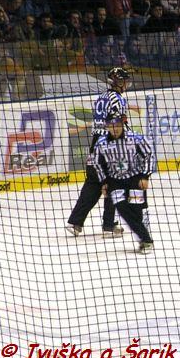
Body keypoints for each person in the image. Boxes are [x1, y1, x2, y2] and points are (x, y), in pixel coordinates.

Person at [66, 68, 131, 238]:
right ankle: (109, 225)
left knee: (93, 183)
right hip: (110, 145)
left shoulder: (100, 98)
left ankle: (75, 222)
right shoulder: (118, 100)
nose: (126, 84)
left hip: (96, 143)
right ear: (118, 82)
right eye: (124, 81)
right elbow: (117, 125)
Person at [92, 113, 155, 255]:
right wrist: (103, 182)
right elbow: (97, 163)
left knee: (137, 211)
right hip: (115, 182)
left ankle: (143, 240)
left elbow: (149, 155)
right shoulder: (101, 143)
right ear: (107, 126)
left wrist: (145, 176)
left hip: (135, 179)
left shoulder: (136, 138)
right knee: (121, 209)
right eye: (111, 125)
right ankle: (147, 240)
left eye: (118, 125)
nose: (115, 128)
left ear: (122, 124)